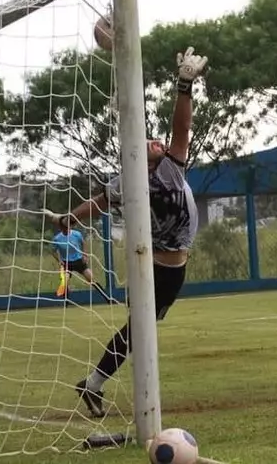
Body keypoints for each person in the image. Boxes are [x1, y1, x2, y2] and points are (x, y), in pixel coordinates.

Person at [49, 46, 206, 419]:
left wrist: (70, 219)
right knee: (140, 330)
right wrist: (184, 86)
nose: (159, 142)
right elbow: (182, 127)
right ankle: (97, 384)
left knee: (140, 328)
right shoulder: (165, 170)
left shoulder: (134, 179)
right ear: (141, 153)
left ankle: (95, 383)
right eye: (152, 142)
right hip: (164, 267)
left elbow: (98, 203)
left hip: (159, 264)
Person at [49, 218, 106, 299]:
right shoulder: (57, 239)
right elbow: (53, 251)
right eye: (63, 226)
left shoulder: (77, 234)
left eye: (67, 226)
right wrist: (60, 260)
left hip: (78, 261)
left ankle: (107, 298)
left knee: (91, 279)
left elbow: (83, 243)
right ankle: (66, 304)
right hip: (66, 263)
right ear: (60, 227)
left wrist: (84, 255)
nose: (66, 228)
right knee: (65, 282)